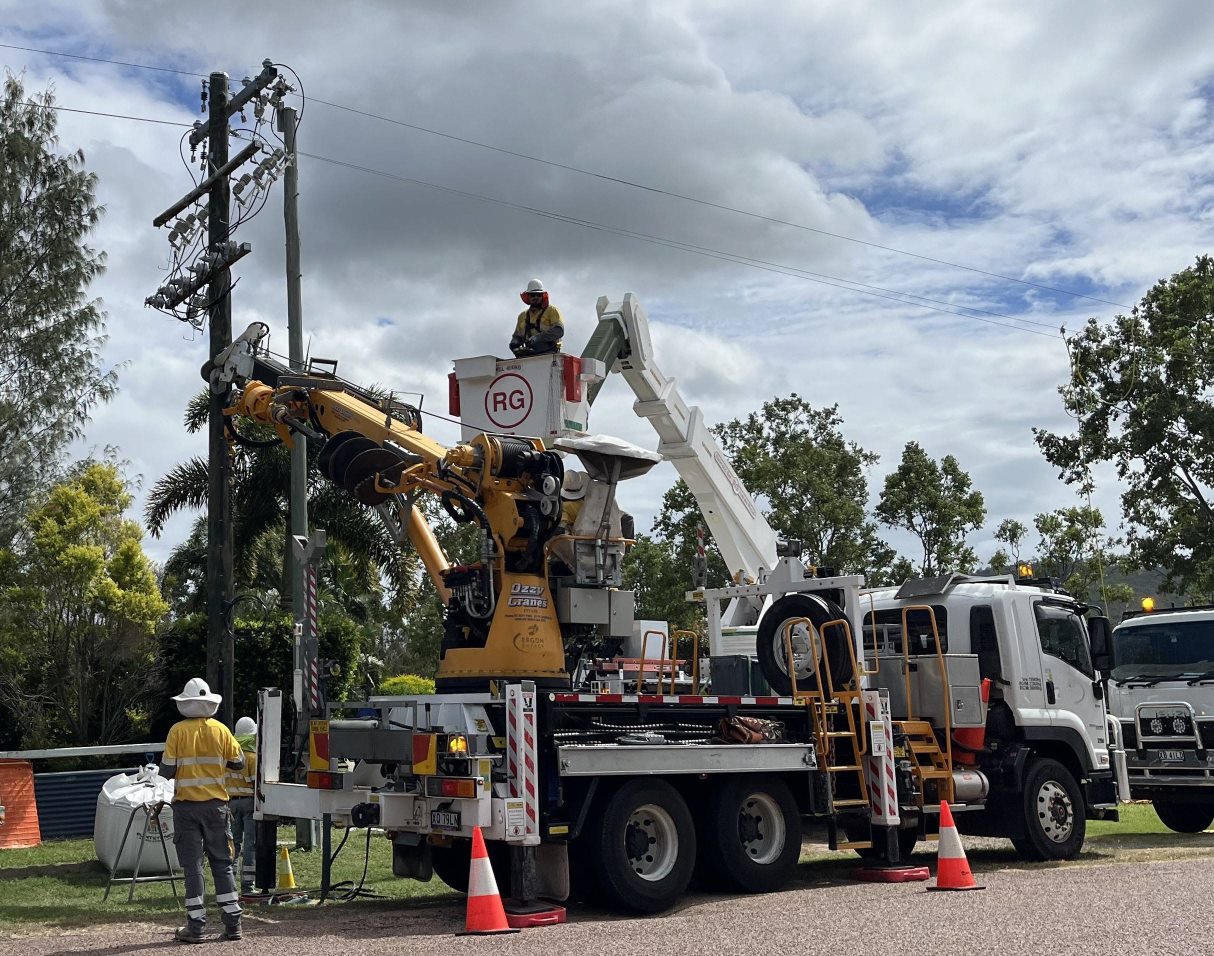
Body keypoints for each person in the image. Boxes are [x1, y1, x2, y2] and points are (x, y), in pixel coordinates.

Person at [159, 678, 245, 943]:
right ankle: (233, 925)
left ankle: (195, 927)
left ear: (185, 704)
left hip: (186, 809)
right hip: (217, 807)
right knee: (223, 863)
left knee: (193, 866)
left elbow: (167, 770)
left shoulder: (177, 731)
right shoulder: (221, 730)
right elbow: (239, 763)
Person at [226, 716, 258, 896]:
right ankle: (248, 886)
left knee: (233, 845)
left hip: (231, 803)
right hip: (249, 803)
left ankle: (230, 884)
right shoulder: (252, 758)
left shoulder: (229, 756)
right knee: (249, 845)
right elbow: (255, 784)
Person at [510, 278, 564, 356]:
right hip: (529, 354)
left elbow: (559, 331)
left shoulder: (552, 310)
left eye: (538, 295)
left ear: (543, 296)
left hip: (549, 354)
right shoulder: (522, 316)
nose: (535, 297)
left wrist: (538, 338)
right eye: (532, 295)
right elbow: (517, 336)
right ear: (528, 296)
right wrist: (514, 342)